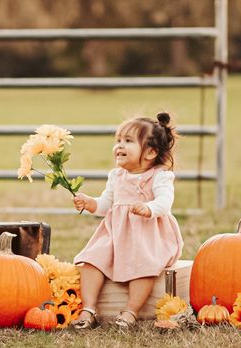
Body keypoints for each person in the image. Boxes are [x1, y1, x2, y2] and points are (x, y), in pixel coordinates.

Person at [71, 112, 183, 329]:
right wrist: (90, 203)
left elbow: (165, 203)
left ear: (150, 152)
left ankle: (131, 310)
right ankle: (89, 309)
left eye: (128, 141)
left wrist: (148, 208)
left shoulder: (159, 176)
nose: (119, 146)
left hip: (148, 236)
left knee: (144, 264)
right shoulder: (116, 175)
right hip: (116, 234)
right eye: (118, 140)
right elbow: (106, 205)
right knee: (92, 259)